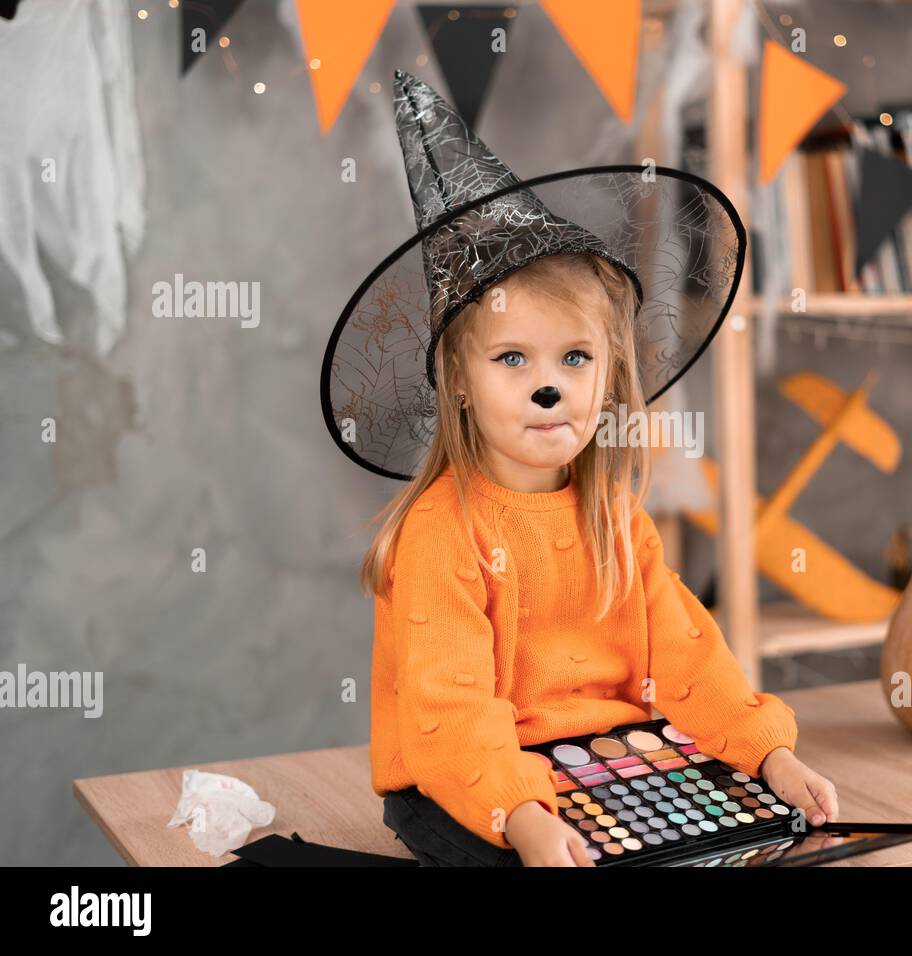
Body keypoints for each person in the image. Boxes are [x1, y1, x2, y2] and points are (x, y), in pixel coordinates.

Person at [323, 72, 837, 867]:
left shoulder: (617, 517)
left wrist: (772, 755)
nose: (548, 384)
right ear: (457, 381)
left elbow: (688, 656)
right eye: (511, 358)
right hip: (466, 779)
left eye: (574, 356)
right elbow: (451, 716)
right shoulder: (442, 534)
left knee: (751, 839)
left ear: (608, 373)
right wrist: (525, 817)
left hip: (618, 755)